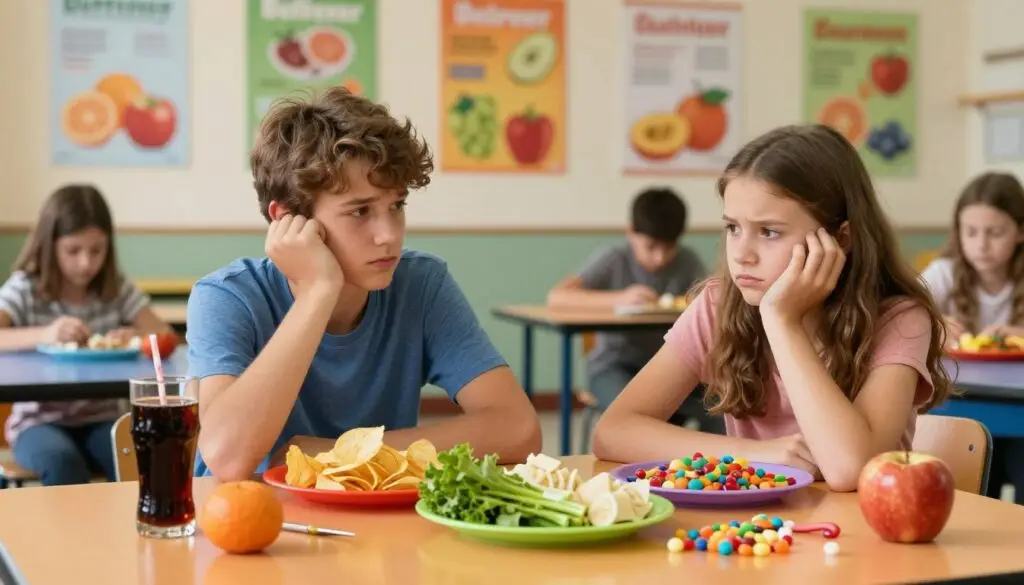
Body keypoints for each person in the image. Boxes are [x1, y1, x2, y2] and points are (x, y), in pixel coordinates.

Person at [186, 87, 542, 481]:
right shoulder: (227, 296)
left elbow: (518, 428)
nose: (389, 235)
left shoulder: (422, 285)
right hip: (247, 525)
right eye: (360, 211)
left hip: (372, 523)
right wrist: (318, 293)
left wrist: (340, 454)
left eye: (397, 205)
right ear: (286, 218)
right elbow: (228, 458)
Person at [593, 124, 953, 492]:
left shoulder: (900, 320)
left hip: (861, 537)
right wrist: (750, 454)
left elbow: (850, 469)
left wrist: (782, 321)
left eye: (769, 232)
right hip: (754, 535)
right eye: (733, 227)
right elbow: (613, 432)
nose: (742, 254)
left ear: (840, 238)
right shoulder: (718, 305)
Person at [0, 184, 173, 486]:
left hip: (102, 419)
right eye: (73, 250)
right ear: (49, 245)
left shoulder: (115, 289)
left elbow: (164, 334)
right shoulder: (27, 288)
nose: (86, 263)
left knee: (141, 458)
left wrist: (134, 335)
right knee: (63, 463)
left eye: (97, 250)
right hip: (39, 423)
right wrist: (46, 333)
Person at [547, 187, 720, 432]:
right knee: (629, 414)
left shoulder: (687, 260)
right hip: (614, 365)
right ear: (630, 232)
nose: (660, 258)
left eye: (668, 248)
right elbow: (558, 297)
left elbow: (707, 302)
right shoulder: (614, 258)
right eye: (651, 247)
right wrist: (620, 299)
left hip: (672, 365)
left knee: (722, 406)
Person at [920, 171, 1024, 503]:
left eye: (994, 233)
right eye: (971, 232)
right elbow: (897, 310)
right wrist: (933, 324)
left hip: (1016, 404)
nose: (981, 244)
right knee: (971, 476)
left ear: (1020, 232)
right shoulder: (944, 273)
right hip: (961, 400)